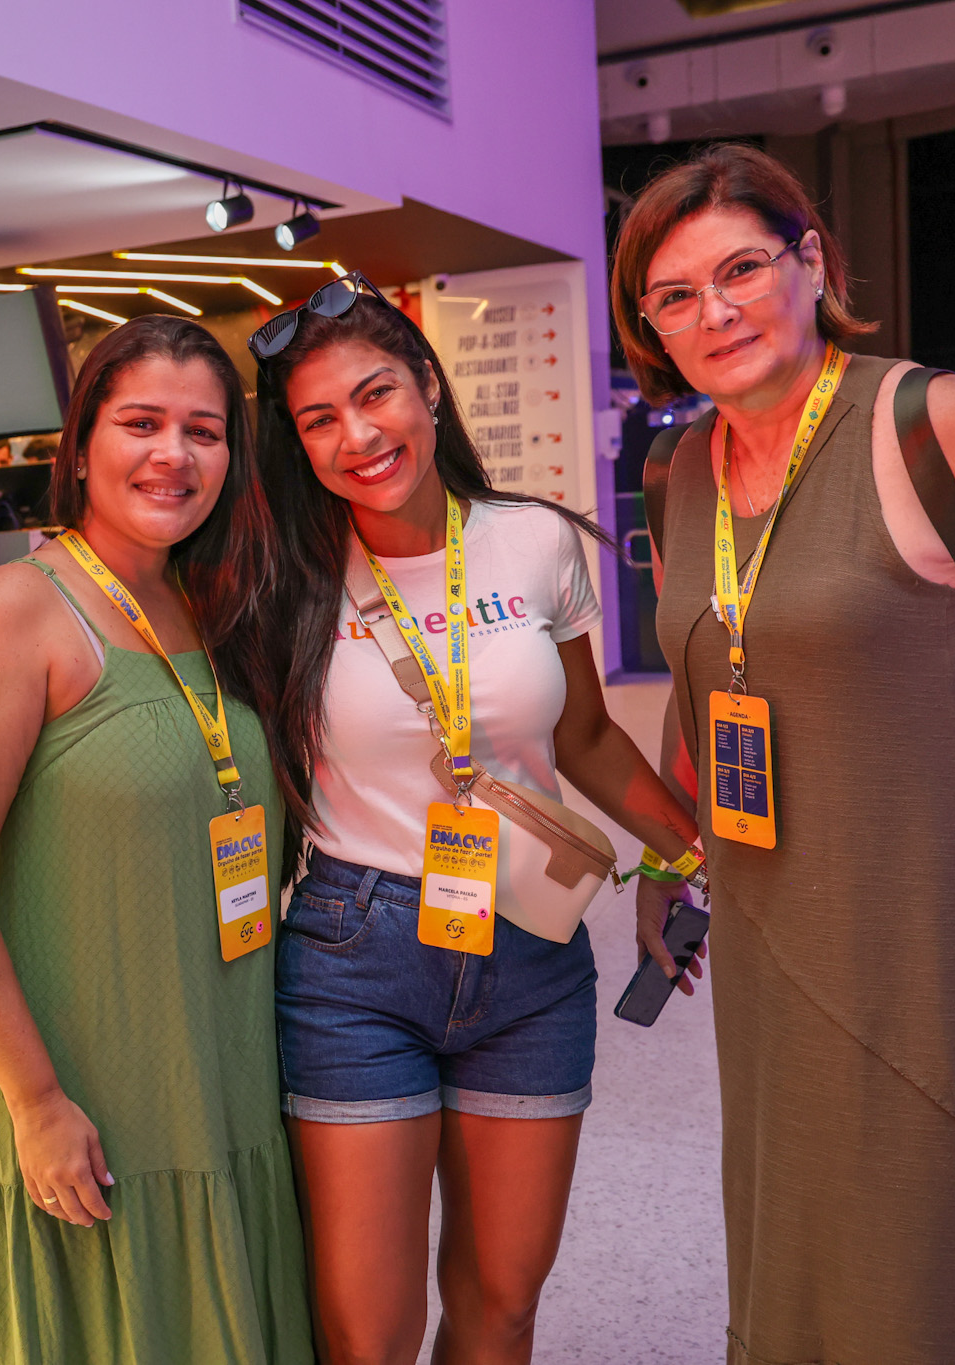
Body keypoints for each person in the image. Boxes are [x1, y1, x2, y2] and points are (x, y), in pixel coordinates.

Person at [609, 143, 955, 1365]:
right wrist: (665, 860)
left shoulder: (927, 422)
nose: (714, 312)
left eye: (740, 269)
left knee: (944, 1229)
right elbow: (706, 669)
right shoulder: (675, 468)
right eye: (673, 295)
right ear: (648, 325)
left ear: (810, 262)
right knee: (808, 1213)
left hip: (944, 921)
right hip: (769, 918)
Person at [228, 274, 705, 1365]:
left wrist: (682, 858)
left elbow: (587, 736)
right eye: (318, 419)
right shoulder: (283, 576)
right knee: (371, 1330)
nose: (357, 436)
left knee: (503, 1300)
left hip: (531, 949)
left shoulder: (533, 540)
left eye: (375, 394)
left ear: (428, 388)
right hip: (354, 958)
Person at [0, 315, 315, 1365]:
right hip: (82, 1088)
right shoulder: (16, 609)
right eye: (141, 423)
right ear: (80, 445)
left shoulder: (209, 603)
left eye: (203, 431)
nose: (173, 454)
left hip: (215, 1066)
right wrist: (36, 1102)